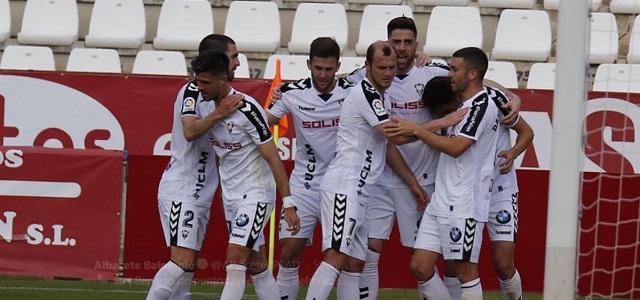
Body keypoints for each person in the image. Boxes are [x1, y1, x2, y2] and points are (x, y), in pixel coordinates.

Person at [346, 16, 522, 300]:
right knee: (373, 254)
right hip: (385, 176)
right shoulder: (365, 77)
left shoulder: (433, 71)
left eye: (407, 42)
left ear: (417, 45)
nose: (401, 48)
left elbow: (476, 76)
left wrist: (512, 95)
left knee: (455, 265)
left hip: (432, 183)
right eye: (395, 42)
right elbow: (331, 82)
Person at [386, 47, 501, 300]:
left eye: (454, 69)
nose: (449, 73)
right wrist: (426, 127)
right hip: (441, 200)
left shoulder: (481, 106)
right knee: (420, 266)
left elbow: (457, 147)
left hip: (465, 204)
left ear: (472, 74)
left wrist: (417, 130)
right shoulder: (459, 105)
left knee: (465, 271)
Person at [304, 41, 416, 300]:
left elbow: (386, 144)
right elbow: (393, 136)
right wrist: (437, 126)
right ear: (367, 67)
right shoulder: (364, 93)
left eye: (391, 67)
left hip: (360, 191)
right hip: (345, 187)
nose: (388, 73)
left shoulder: (378, 96)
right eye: (381, 67)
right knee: (335, 257)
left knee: (355, 264)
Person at [190, 50, 301, 300]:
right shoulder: (205, 105)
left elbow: (273, 156)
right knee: (257, 266)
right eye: (198, 81)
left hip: (256, 195)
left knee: (234, 257)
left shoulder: (248, 109)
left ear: (222, 79)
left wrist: (289, 203)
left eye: (205, 82)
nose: (200, 87)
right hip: (231, 198)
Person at [146, 34, 244, 300]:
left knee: (188, 268)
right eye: (233, 56)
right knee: (182, 261)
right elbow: (190, 131)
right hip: (182, 188)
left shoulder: (221, 95)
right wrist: (219, 114)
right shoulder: (192, 91)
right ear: (219, 60)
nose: (238, 62)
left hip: (201, 191)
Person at [423, 76, 534, 299]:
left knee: (503, 263)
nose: (446, 115)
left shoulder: (492, 101)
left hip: (500, 191)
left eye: (447, 110)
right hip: (470, 193)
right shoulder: (452, 110)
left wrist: (513, 153)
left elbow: (527, 132)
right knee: (455, 262)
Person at [264, 37, 355, 300]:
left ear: (338, 66)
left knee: (342, 257)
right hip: (305, 185)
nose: (323, 74)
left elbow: (380, 70)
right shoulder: (292, 93)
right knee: (289, 253)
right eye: (318, 68)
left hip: (341, 184)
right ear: (308, 65)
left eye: (329, 69)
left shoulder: (354, 90)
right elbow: (263, 121)